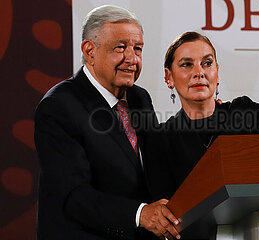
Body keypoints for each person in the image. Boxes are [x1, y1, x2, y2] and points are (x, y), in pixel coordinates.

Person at [34, 5, 180, 240]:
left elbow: (156, 165)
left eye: (138, 49)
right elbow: (74, 196)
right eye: (121, 48)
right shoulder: (58, 106)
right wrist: (140, 214)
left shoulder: (139, 98)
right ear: (89, 50)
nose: (132, 59)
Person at [147, 31, 259, 201]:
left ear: (217, 72)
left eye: (207, 63)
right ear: (168, 77)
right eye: (187, 64)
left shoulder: (245, 113)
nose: (199, 72)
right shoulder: (162, 138)